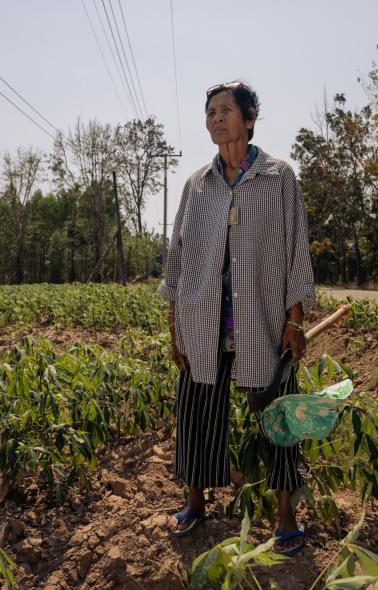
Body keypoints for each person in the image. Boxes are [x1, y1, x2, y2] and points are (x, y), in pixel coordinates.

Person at [157, 80, 316, 556]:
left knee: (279, 418)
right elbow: (177, 257)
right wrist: (174, 326)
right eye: (209, 112)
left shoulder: (278, 177)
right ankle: (195, 503)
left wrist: (295, 320)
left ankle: (286, 517)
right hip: (202, 322)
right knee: (197, 415)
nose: (215, 118)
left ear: (249, 119)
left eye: (225, 110)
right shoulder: (196, 185)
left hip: (261, 322)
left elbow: (295, 251)